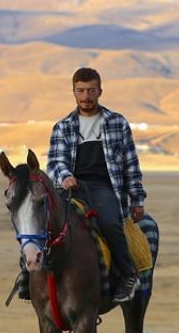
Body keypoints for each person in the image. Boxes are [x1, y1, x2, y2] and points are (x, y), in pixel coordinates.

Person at [32, 66, 146, 303]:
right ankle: (28, 277)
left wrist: (137, 200)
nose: (86, 96)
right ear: (73, 92)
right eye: (81, 90)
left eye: (91, 90)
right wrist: (65, 176)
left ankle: (127, 275)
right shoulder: (62, 126)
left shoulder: (117, 123)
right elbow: (55, 162)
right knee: (39, 221)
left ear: (100, 91)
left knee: (109, 223)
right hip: (70, 189)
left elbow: (131, 164)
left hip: (104, 188)